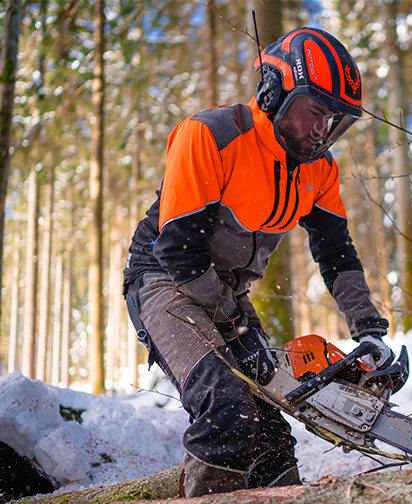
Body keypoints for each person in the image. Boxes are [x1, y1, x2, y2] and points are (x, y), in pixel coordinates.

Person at [123, 27, 393, 497]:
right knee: (227, 406)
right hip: (165, 279)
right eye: (314, 112)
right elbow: (178, 249)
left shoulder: (318, 167)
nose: (320, 130)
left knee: (268, 430)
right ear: (275, 93)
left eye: (331, 119)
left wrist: (368, 328)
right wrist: (235, 323)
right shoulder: (210, 135)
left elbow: (336, 252)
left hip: (225, 289)